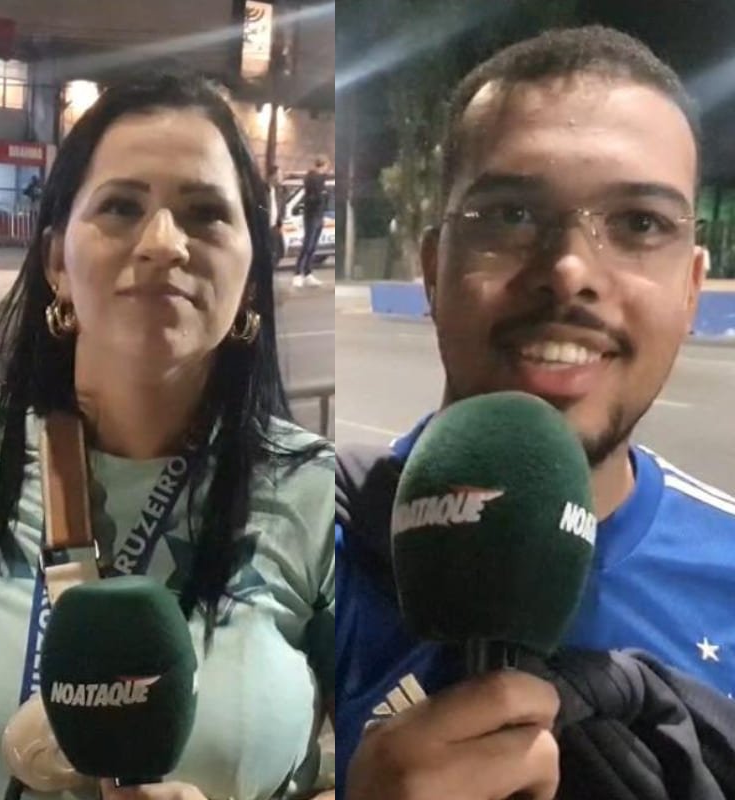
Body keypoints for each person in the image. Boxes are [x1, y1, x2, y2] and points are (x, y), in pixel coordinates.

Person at [306, 26, 735, 799]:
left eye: (640, 224)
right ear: (432, 269)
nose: (569, 271)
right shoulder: (306, 552)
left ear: (691, 288)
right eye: (509, 215)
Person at [0, 72, 343, 800]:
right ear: (56, 261)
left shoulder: (317, 490)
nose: (162, 245)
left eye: (205, 214)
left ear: (253, 274)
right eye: (121, 207)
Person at [292, 156, 328, 289]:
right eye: (326, 166)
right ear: (323, 165)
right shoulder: (312, 178)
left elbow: (323, 197)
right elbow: (315, 196)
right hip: (311, 215)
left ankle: (307, 272)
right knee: (307, 245)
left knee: (313, 246)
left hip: (319, 215)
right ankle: (298, 273)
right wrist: (321, 196)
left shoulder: (321, 179)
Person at [266, 164, 285, 268]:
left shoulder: (279, 191)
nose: (281, 177)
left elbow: (281, 207)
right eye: (279, 175)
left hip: (275, 226)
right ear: (272, 176)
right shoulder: (263, 190)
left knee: (278, 252)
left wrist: (280, 223)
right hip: (264, 226)